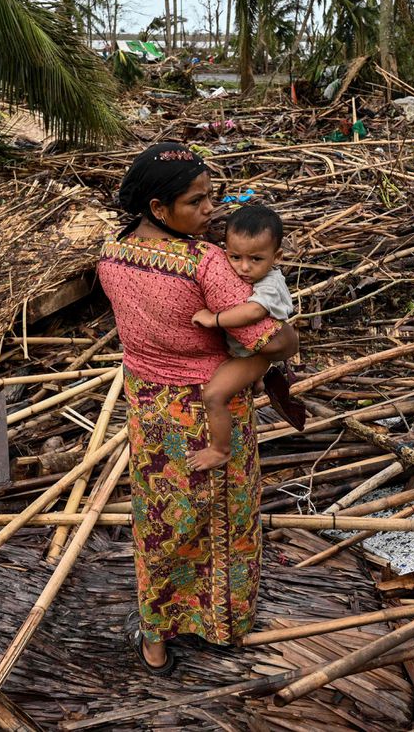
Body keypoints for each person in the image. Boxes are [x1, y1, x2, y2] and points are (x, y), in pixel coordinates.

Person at [97, 142, 299, 674]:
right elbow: (270, 339)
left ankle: (156, 632)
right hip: (211, 409)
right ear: (160, 209)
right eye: (198, 201)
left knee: (160, 520)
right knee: (225, 517)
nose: (212, 210)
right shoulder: (205, 263)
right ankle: (222, 623)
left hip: (147, 409)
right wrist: (288, 340)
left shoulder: (111, 258)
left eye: (212, 197)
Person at [188, 204, 293, 471]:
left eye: (256, 259)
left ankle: (220, 449)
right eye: (235, 257)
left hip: (256, 354)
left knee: (213, 395)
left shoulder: (270, 284)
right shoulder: (238, 271)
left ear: (276, 256)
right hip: (244, 351)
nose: (244, 267)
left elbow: (254, 311)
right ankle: (255, 382)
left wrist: (215, 320)